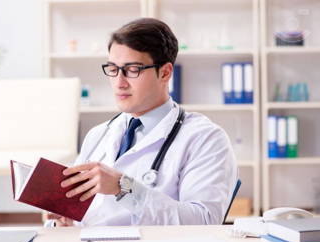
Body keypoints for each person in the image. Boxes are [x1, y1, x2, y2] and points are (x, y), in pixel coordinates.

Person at [45, 18, 237, 227]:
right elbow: (86, 212)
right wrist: (66, 219)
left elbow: (204, 222)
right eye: (113, 69)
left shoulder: (205, 138)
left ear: (165, 73)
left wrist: (123, 187)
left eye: (133, 69)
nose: (119, 82)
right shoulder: (99, 134)